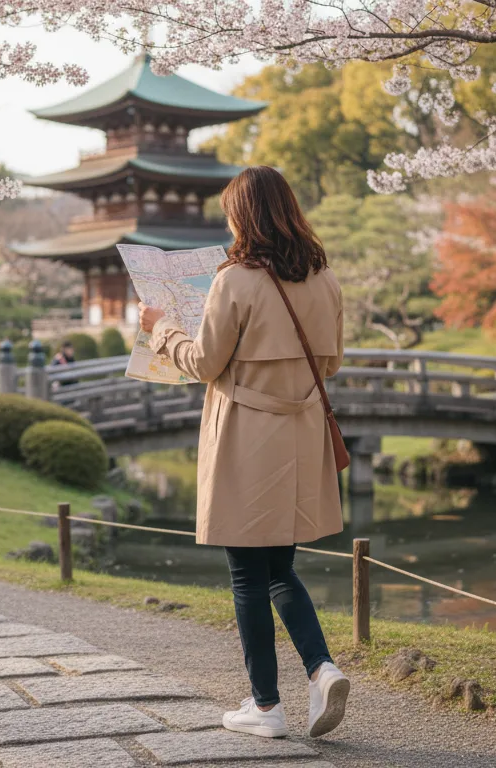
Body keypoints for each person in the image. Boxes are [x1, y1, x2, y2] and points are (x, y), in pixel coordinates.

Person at [137, 166, 350, 740]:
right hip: (300, 435)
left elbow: (204, 364)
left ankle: (266, 706)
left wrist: (161, 330)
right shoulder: (325, 278)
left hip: (245, 435)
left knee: (246, 576)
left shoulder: (235, 280)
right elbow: (329, 364)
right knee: (279, 565)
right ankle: (321, 667)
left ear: (243, 216)